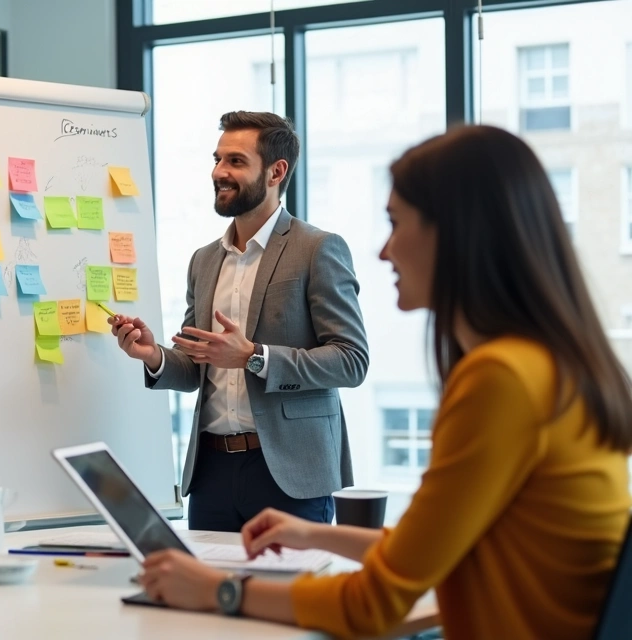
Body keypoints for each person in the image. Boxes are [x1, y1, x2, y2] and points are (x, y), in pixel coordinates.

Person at [137, 125, 632, 638]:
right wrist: (313, 535)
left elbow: (373, 603)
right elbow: (429, 546)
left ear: (455, 232)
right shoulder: (546, 364)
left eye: (395, 223)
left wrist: (219, 591)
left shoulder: (501, 381)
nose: (383, 251)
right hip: (215, 466)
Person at [110, 111, 368, 531]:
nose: (219, 172)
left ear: (275, 172)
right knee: (204, 577)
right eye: (217, 160)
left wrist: (253, 356)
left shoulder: (317, 249)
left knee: (287, 579)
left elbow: (351, 360)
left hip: (290, 473)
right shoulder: (204, 260)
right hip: (211, 472)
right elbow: (197, 368)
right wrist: (154, 355)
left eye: (235, 161)